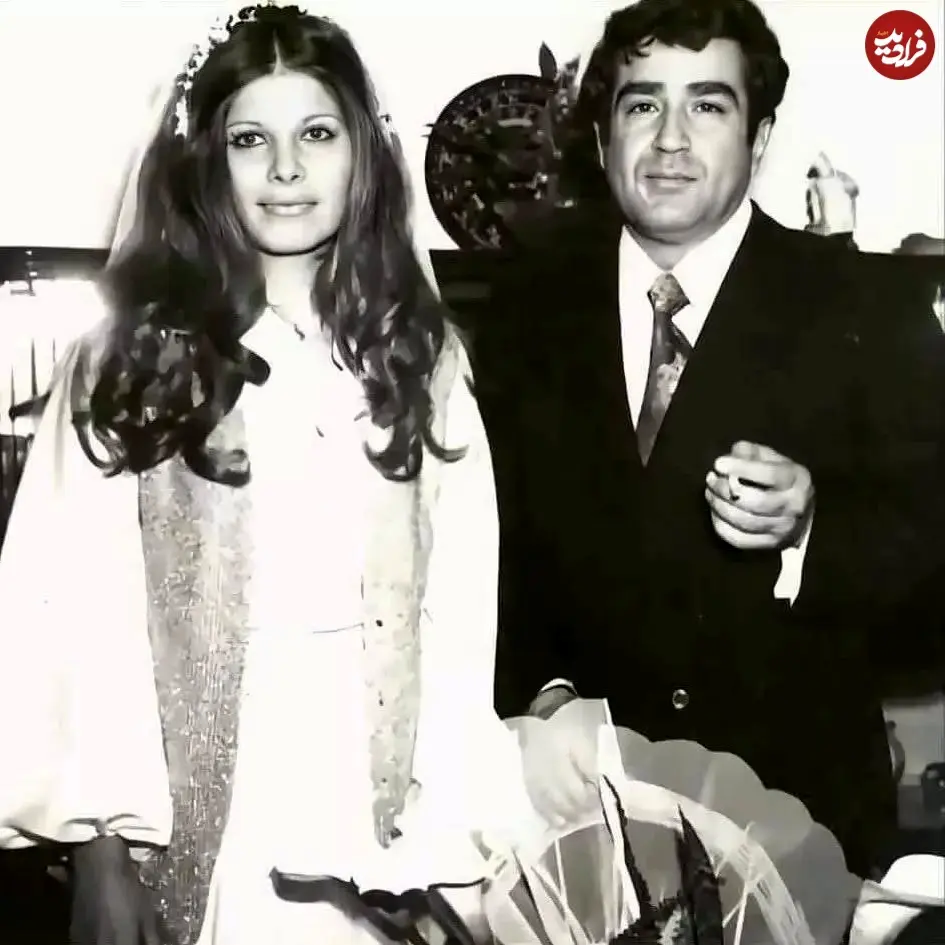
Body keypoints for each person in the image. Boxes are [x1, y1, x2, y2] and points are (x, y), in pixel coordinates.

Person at [0, 5, 511, 944]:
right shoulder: (132, 362)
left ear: (361, 154)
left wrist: (451, 846)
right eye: (249, 140)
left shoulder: (418, 361)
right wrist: (102, 849)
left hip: (376, 791)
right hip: (200, 797)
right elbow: (73, 607)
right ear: (206, 160)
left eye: (316, 134)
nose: (284, 170)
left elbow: (456, 617)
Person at [477, 0, 945, 881]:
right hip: (579, 835)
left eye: (707, 104)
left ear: (759, 137)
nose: (669, 140)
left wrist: (809, 531)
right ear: (601, 134)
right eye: (642, 104)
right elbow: (488, 556)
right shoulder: (523, 314)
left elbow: (931, 596)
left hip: (797, 842)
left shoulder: (869, 308)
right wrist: (543, 696)